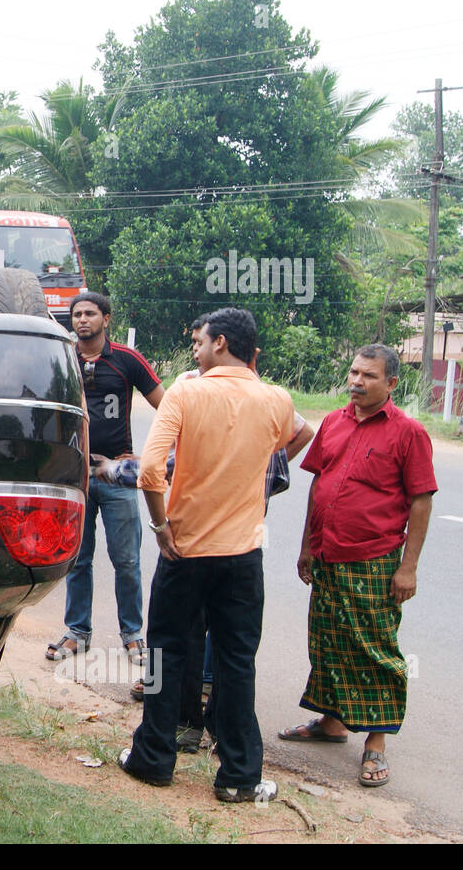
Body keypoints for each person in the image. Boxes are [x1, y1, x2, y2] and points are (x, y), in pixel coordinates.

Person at [96, 314, 315, 752]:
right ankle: (239, 774)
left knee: (167, 651)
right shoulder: (277, 400)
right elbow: (277, 448)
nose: (196, 349)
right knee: (236, 661)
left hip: (185, 549)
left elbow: (154, 471)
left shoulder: (186, 392)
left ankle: (154, 757)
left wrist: (160, 527)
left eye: (200, 341)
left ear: (219, 342)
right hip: (244, 554)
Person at [279, 344, 436, 789]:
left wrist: (409, 568)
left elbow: (421, 501)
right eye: (353, 373)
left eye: (368, 376)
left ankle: (376, 744)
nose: (356, 382)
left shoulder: (408, 433)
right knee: (328, 640)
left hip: (375, 560)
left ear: (390, 383)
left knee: (373, 650)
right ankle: (332, 725)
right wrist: (308, 545)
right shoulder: (333, 421)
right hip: (327, 554)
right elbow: (318, 485)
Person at [47, 291, 163, 665]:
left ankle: (132, 636)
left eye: (90, 313)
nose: (82, 320)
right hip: (74, 476)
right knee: (77, 558)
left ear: (106, 319)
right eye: (76, 314)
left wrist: (144, 457)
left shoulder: (127, 361)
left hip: (117, 477)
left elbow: (170, 408)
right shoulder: (62, 359)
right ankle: (77, 632)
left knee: (126, 560)